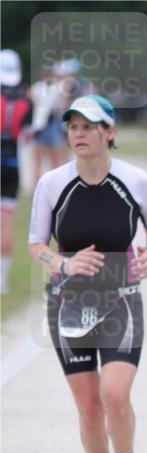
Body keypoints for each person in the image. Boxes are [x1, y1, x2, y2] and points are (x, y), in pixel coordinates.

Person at [28, 95, 147, 453]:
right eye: (72, 127)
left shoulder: (135, 180)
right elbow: (36, 245)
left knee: (115, 395)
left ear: (110, 132)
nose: (79, 134)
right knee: (88, 406)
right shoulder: (52, 183)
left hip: (122, 302)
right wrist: (63, 262)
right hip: (68, 305)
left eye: (89, 126)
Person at [1, 49, 32, 294]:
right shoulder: (26, 101)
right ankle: (2, 281)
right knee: (6, 223)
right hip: (12, 165)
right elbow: (28, 135)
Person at [29, 65, 68, 187]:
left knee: (40, 160)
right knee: (52, 159)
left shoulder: (36, 88)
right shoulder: (57, 89)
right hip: (49, 125)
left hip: (41, 125)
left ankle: (39, 186)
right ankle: (53, 185)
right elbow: (61, 109)